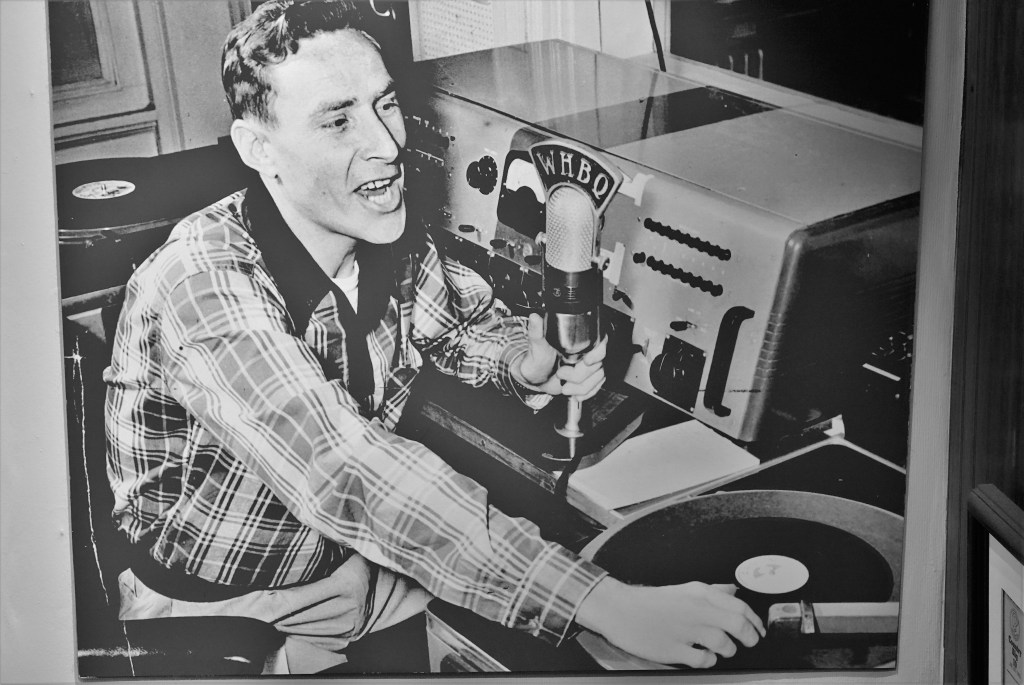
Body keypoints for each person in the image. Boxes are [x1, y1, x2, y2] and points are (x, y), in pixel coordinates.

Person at [104, 0, 764, 674]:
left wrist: (523, 361)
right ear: (258, 149)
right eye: (338, 120)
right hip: (230, 619)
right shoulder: (201, 283)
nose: (387, 146)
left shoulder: (378, 229)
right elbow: (347, 470)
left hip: (353, 566)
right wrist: (606, 603)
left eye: (385, 104)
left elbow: (460, 323)